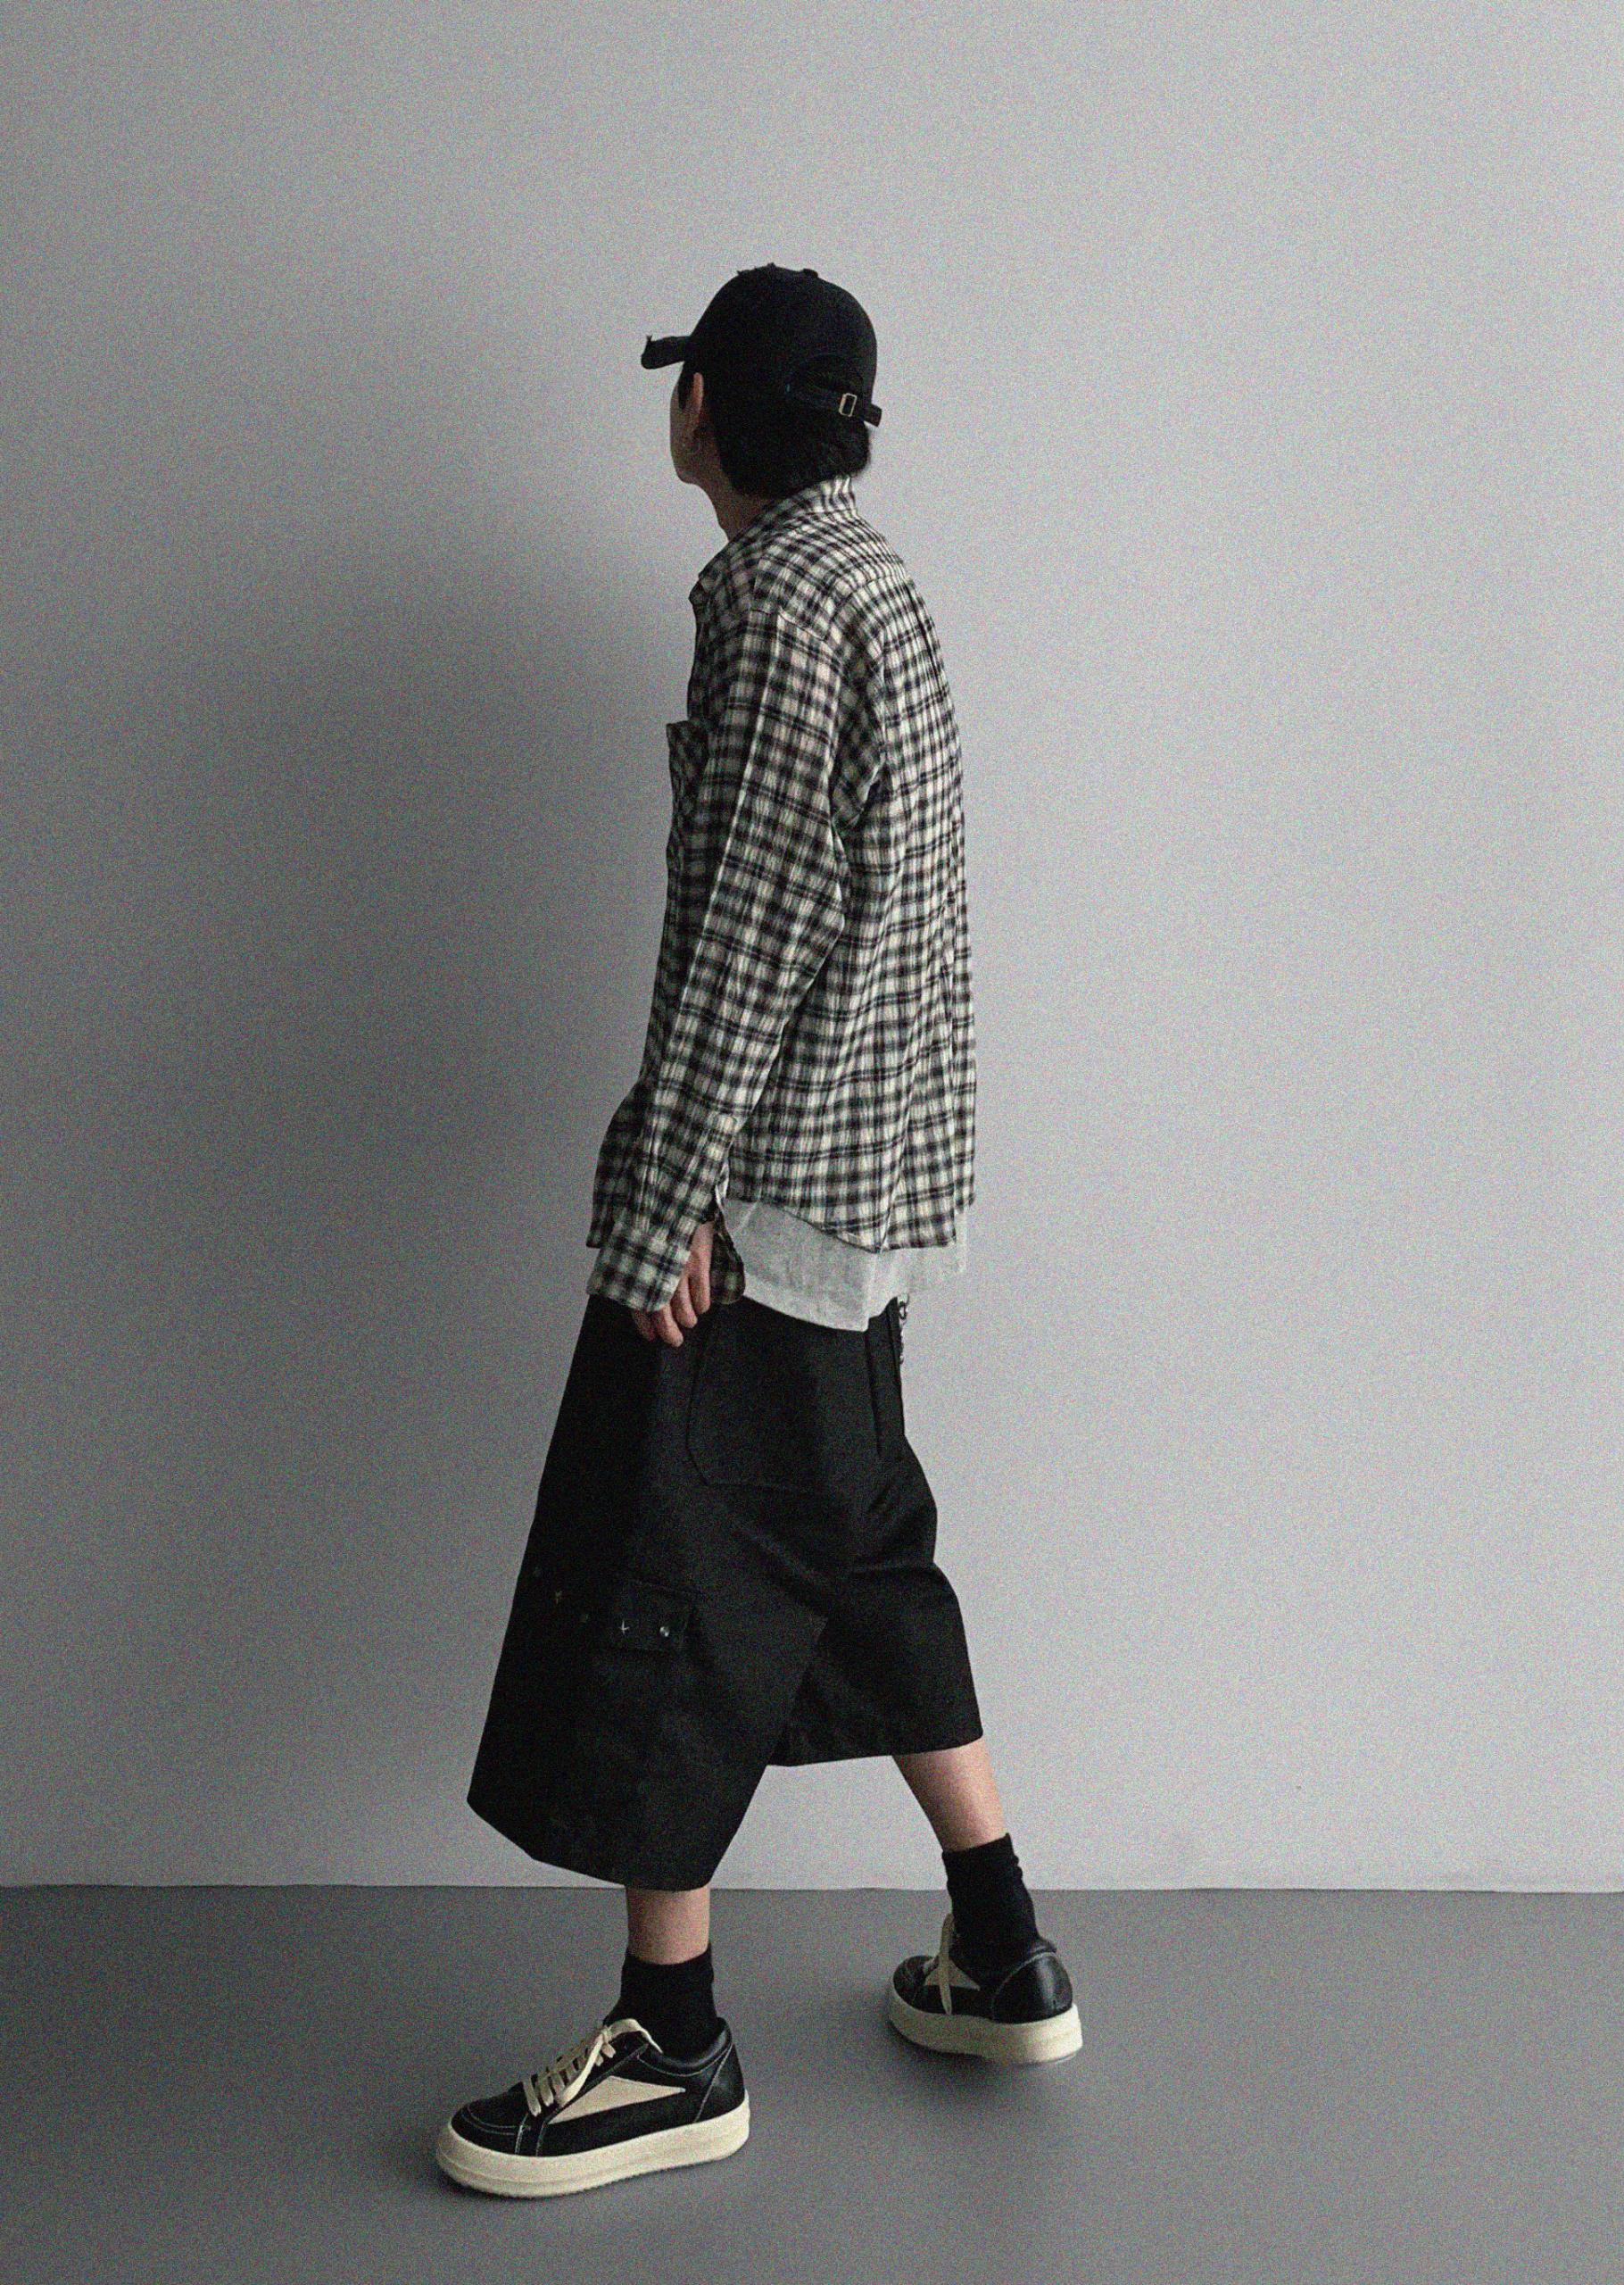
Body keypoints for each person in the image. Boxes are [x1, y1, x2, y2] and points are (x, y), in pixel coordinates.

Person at [435, 265, 1081, 2202]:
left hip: (770, 1199)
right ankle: (1002, 1947)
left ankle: (672, 2041)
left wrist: (666, 1201)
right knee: (863, 1552)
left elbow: (749, 929)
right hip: (867, 1190)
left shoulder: (778, 606)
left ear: (702, 405)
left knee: (670, 1593)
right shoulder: (871, 580)